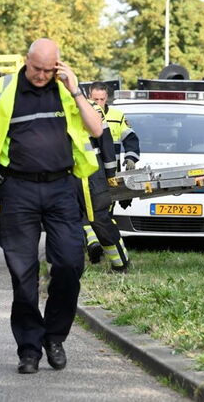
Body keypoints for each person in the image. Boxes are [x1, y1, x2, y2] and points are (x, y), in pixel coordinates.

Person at [0, 39, 102, 375]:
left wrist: (76, 91)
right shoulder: (6, 89)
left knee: (71, 263)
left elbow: (96, 128)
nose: (41, 75)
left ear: (58, 65)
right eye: (36, 68)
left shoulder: (67, 88)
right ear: (26, 61)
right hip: (18, 189)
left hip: (61, 188)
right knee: (22, 274)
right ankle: (29, 349)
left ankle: (54, 336)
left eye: (48, 69)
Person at [71, 82, 133, 273]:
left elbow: (106, 144)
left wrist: (110, 175)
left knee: (99, 218)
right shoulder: (58, 109)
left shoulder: (94, 110)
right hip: (68, 174)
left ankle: (120, 262)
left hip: (93, 173)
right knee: (71, 217)